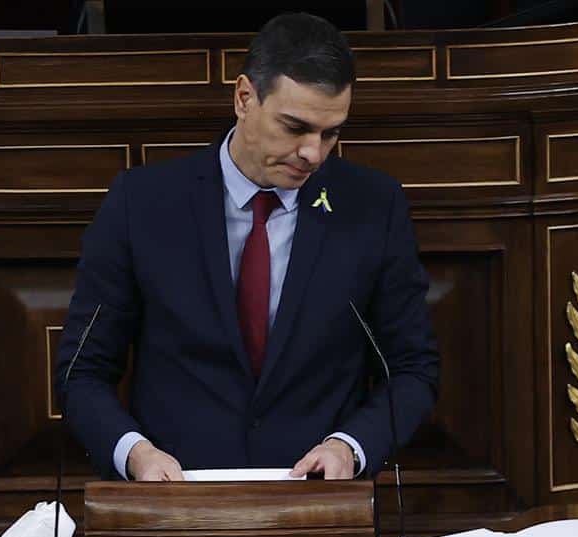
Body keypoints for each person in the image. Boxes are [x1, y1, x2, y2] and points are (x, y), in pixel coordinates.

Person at [55, 12, 438, 481]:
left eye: (331, 132)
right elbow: (82, 371)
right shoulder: (143, 205)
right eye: (295, 127)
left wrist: (349, 447)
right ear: (243, 98)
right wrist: (135, 454)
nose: (313, 154)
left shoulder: (373, 208)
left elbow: (412, 369)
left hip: (320, 508)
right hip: (176, 507)